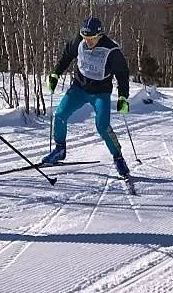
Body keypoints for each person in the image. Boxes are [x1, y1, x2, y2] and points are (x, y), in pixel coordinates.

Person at [43, 16, 133, 179]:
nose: (88, 42)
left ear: (100, 35)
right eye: (85, 38)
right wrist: (56, 74)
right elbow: (66, 56)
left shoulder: (111, 50)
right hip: (79, 88)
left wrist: (123, 97)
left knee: (102, 125)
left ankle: (118, 157)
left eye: (91, 39)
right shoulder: (79, 41)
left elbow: (122, 74)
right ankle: (59, 150)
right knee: (60, 115)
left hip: (101, 92)